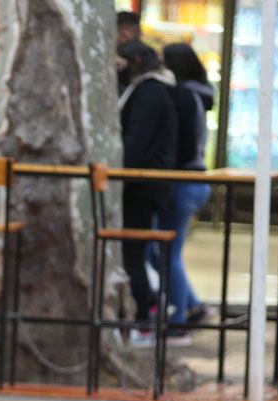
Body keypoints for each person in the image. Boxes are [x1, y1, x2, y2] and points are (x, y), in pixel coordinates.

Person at [117, 40, 177, 346]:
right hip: (145, 185)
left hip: (141, 186)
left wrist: (119, 175)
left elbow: (137, 142)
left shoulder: (149, 92)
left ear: (136, 60)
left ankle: (144, 317)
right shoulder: (153, 89)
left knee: (133, 253)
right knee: (136, 253)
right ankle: (149, 308)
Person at [157, 42, 216, 344]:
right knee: (164, 251)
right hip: (196, 180)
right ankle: (192, 306)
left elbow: (175, 145)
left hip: (182, 181)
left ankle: (178, 322)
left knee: (166, 253)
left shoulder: (181, 95)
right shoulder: (198, 93)